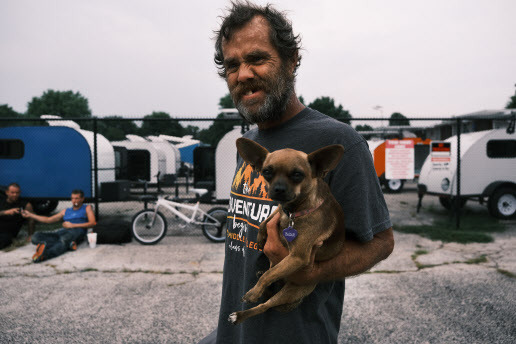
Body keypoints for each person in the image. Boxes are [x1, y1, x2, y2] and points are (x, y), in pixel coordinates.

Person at [200, 2, 395, 343]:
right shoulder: (250, 145)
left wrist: (311, 269)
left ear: (291, 61)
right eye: (232, 65)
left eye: (256, 59)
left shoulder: (337, 142)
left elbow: (380, 242)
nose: (243, 74)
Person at [22, 189, 96, 263]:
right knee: (35, 237)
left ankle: (44, 255)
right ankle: (69, 245)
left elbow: (93, 223)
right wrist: (30, 215)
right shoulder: (66, 211)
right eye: (72, 198)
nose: (74, 200)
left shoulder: (87, 208)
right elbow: (48, 219)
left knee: (63, 240)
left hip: (77, 231)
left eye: (76, 198)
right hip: (62, 231)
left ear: (82, 199)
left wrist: (72, 225)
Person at [0, 183, 35, 249]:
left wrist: (30, 235)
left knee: (4, 241)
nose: (15, 195)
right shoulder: (1, 201)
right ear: (7, 192)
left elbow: (31, 221)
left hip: (8, 233)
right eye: (12, 193)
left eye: (17, 193)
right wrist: (5, 212)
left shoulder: (25, 205)